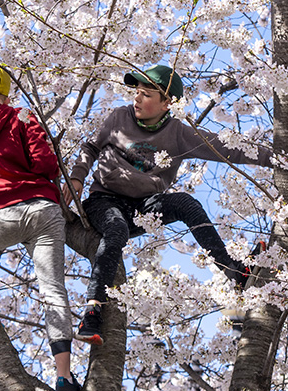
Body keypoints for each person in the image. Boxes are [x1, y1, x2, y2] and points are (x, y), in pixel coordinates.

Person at [67, 64, 271, 345]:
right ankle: (92, 311)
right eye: (136, 92)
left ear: (168, 103)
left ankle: (232, 271)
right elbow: (91, 147)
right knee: (114, 230)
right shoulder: (119, 117)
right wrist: (77, 178)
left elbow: (224, 148)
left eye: (147, 94)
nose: (137, 98)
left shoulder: (178, 134)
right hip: (104, 201)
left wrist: (277, 158)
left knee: (187, 203)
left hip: (143, 207)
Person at [0, 61, 81, 391]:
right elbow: (47, 165)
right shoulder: (22, 116)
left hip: (3, 215)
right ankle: (64, 379)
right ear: (4, 93)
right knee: (52, 289)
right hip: (43, 209)